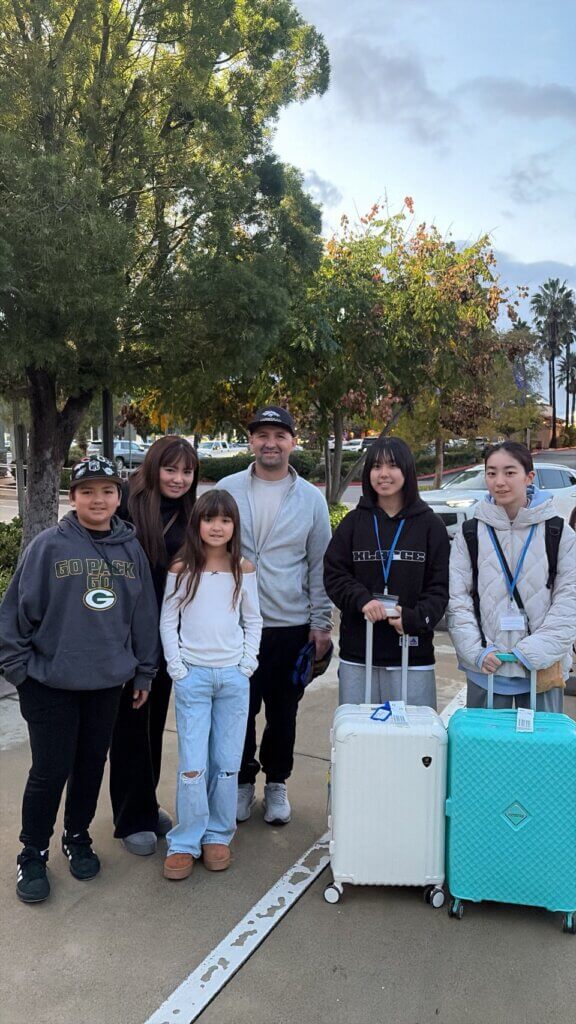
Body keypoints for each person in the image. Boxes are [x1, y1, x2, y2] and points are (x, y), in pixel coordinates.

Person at [0, 457, 159, 903]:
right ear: (73, 497)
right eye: (87, 491)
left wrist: (144, 670)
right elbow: (14, 613)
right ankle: (33, 852)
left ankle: (77, 836)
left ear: (119, 497)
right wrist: (19, 671)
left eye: (107, 491)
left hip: (105, 684)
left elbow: (143, 616)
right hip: (49, 683)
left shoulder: (131, 551)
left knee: (90, 765)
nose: (98, 499)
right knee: (50, 771)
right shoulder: (49, 547)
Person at [219, 406, 332, 826]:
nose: (271, 443)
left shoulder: (311, 498)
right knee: (239, 711)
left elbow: (319, 564)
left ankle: (277, 783)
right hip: (235, 625)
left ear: (292, 442)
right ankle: (242, 781)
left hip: (290, 625)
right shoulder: (228, 490)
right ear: (251, 441)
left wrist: (321, 623)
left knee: (283, 713)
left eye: (279, 435)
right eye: (262, 435)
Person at [159, 490, 262, 878]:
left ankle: (218, 833)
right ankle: (186, 839)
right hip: (194, 677)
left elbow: (253, 619)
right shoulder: (182, 567)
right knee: (193, 763)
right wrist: (177, 668)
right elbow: (168, 619)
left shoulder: (243, 569)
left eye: (225, 520)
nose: (217, 527)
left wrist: (246, 664)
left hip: (233, 678)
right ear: (197, 523)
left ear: (234, 525)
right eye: (209, 519)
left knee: (227, 761)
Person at [109, 435, 198, 855]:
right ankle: (130, 817)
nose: (178, 479)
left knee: (152, 724)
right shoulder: (126, 505)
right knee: (128, 726)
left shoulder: (189, 514)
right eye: (170, 469)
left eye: (187, 472)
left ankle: (146, 802)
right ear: (153, 467)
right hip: (123, 634)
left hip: (165, 636)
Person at [448, 441, 576, 710]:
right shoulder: (470, 533)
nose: (499, 482)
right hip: (486, 670)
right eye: (491, 473)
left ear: (529, 477)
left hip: (541, 671)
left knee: (542, 739)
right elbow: (458, 600)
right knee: (485, 738)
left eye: (509, 472)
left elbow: (569, 601)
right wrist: (477, 652)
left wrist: (533, 653)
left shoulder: (558, 532)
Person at [324, 437, 450, 707]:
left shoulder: (431, 525)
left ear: (407, 470)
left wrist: (414, 618)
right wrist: (362, 600)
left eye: (392, 465)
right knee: (359, 730)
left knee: (412, 731)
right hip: (360, 653)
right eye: (376, 466)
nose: (383, 474)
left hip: (412, 654)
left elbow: (440, 588)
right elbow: (334, 574)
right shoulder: (353, 522)